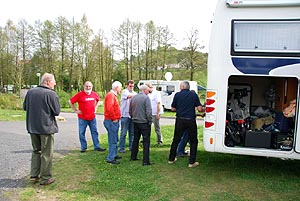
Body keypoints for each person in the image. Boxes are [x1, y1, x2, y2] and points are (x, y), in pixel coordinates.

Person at [23, 73, 60, 185]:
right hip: (46, 128)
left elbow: (25, 107)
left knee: (36, 151)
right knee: (46, 153)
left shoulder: (30, 92)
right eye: (53, 81)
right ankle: (45, 178)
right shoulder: (51, 94)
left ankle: (34, 175)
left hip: (32, 127)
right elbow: (56, 111)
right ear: (48, 81)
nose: (55, 83)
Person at [168, 81, 204, 168]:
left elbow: (172, 108)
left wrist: (180, 109)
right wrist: (205, 108)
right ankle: (191, 162)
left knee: (176, 139)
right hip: (190, 120)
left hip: (180, 120)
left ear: (183, 86)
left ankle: (171, 159)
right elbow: (199, 109)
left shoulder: (177, 95)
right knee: (193, 141)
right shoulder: (193, 95)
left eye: (180, 86)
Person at [69, 81, 106, 153]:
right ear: (84, 87)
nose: (88, 88)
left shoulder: (94, 94)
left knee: (94, 132)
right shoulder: (80, 95)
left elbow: (98, 100)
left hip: (92, 118)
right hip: (82, 118)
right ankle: (83, 147)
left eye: (89, 86)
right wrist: (75, 110)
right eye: (87, 86)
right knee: (81, 133)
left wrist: (96, 108)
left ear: (91, 87)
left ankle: (97, 146)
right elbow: (70, 101)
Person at [130, 84, 153, 166]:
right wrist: (150, 121)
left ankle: (133, 156)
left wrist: (133, 117)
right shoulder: (146, 98)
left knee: (135, 140)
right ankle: (146, 160)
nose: (148, 92)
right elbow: (149, 111)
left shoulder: (134, 97)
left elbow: (130, 110)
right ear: (144, 90)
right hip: (144, 122)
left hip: (135, 121)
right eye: (147, 90)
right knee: (146, 141)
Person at [103, 81, 123, 164]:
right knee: (113, 139)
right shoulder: (111, 96)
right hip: (111, 121)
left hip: (112, 120)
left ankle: (113, 154)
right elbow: (109, 108)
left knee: (115, 138)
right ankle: (110, 158)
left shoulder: (112, 95)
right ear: (116, 87)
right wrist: (114, 118)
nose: (121, 89)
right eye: (120, 87)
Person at [119, 80, 137, 153]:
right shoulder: (124, 92)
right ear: (127, 86)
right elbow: (129, 96)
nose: (131, 87)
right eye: (130, 86)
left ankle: (131, 147)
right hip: (125, 115)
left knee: (132, 133)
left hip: (132, 115)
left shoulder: (135, 93)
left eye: (133, 86)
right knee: (123, 133)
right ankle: (121, 148)